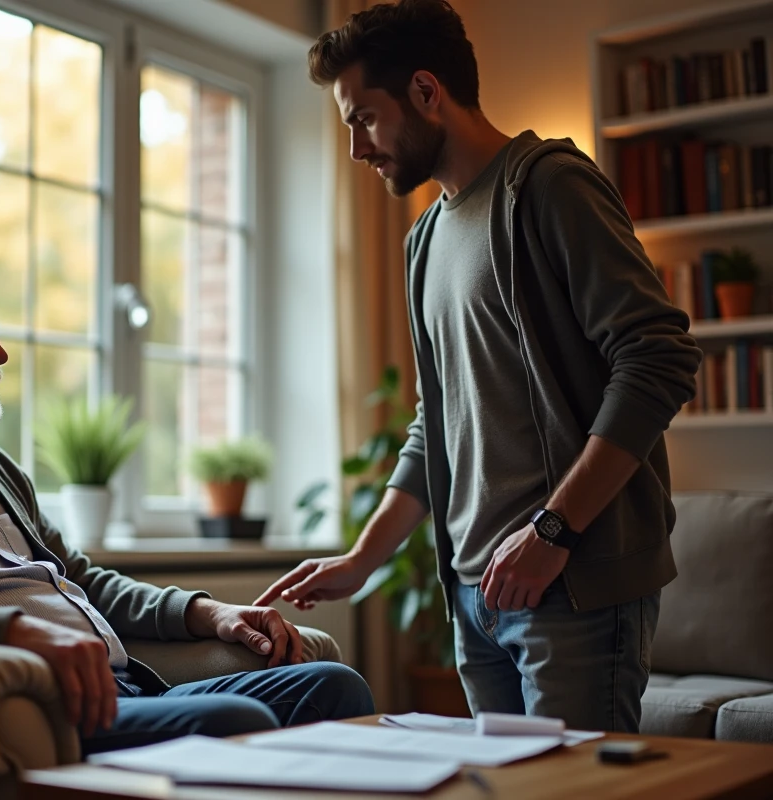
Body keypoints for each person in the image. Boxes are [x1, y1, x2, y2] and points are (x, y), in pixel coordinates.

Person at [256, 0, 700, 733]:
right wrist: (363, 560)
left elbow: (657, 356)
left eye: (363, 118)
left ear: (427, 92)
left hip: (571, 582)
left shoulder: (551, 184)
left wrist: (553, 534)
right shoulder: (423, 240)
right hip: (474, 596)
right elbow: (439, 420)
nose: (357, 150)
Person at [0, 247, 373, 755]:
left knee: (334, 688)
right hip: (42, 704)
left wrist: (211, 613)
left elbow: (81, 581)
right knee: (237, 723)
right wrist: (12, 632)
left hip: (124, 689)